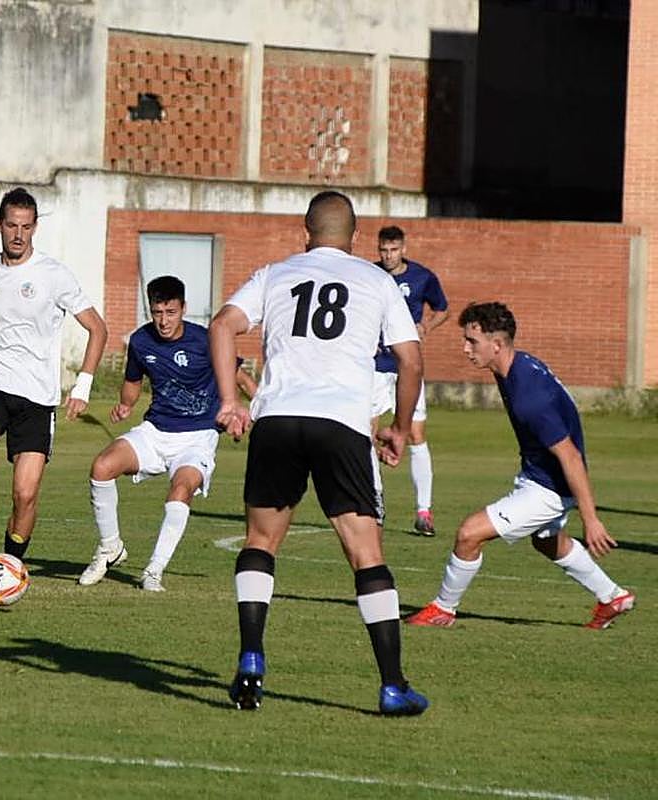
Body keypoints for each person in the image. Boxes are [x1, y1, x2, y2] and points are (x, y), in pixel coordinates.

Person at [209, 190, 429, 716]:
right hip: (341, 425)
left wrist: (230, 401)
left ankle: (252, 656)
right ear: (355, 237)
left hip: (278, 419)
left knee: (261, 541)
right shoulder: (376, 280)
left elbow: (221, 325)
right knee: (366, 553)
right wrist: (400, 428)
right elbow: (411, 360)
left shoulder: (276, 273)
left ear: (304, 233)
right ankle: (393, 685)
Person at [407, 302, 635, 630]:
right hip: (540, 475)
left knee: (469, 534)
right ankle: (613, 597)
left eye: (472, 341)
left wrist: (591, 519)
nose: (465, 348)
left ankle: (443, 609)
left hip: (549, 487)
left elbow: (570, 456)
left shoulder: (530, 397)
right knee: (547, 541)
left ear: (497, 345)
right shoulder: (519, 365)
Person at [0, 187, 108, 584]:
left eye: (26, 227)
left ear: (35, 228)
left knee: (25, 494)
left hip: (37, 397)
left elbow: (98, 329)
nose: (19, 235)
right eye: (12, 226)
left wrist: (82, 387)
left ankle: (9, 565)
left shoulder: (54, 275)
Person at [77, 275, 257, 592]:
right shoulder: (141, 341)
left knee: (181, 490)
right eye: (157, 312)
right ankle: (110, 547)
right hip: (155, 431)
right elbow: (133, 381)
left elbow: (240, 378)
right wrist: (125, 405)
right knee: (102, 467)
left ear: (183, 308)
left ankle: (153, 570)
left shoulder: (206, 340)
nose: (163, 321)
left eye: (171, 312)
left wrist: (262, 412)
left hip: (197, 438)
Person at [370, 225, 449, 535]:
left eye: (393, 250)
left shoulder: (421, 277)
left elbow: (442, 309)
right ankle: (374, 500)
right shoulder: (370, 274)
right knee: (366, 432)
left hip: (407, 367)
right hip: (375, 367)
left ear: (403, 249)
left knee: (417, 435)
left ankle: (424, 511)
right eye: (384, 250)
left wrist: (426, 327)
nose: (388, 256)